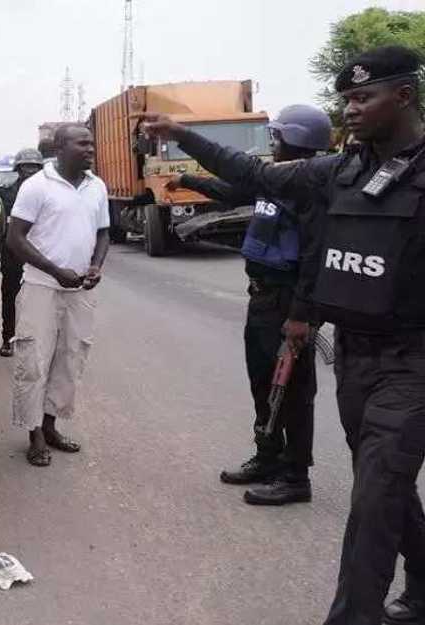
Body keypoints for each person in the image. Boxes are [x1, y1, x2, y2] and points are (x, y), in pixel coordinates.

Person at [139, 45, 425, 625]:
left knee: (372, 495)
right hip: (355, 356)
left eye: (364, 97)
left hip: (412, 359)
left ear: (404, 95)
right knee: (384, 485)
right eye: (346, 98)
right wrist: (181, 134)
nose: (351, 109)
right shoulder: (341, 171)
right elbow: (253, 174)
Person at [165, 104, 331, 506]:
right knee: (263, 382)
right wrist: (187, 178)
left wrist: (301, 316)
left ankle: (296, 475)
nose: (272, 143)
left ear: (295, 140)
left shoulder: (312, 187)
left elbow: (315, 257)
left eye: (277, 137)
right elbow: (232, 189)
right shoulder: (275, 179)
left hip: (288, 301)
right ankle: (268, 456)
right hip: (262, 298)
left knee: (292, 390)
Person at [7, 124, 110, 467]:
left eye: (92, 143)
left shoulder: (97, 186)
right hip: (41, 287)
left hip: (79, 290)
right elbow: (15, 238)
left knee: (71, 360)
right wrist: (54, 271)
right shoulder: (37, 187)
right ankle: (33, 433)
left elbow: (104, 233)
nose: (90, 148)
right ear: (60, 147)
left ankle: (51, 425)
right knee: (34, 361)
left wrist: (96, 265)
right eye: (83, 143)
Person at [0, 148, 43, 357]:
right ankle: (8, 338)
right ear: (18, 170)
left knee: (43, 299)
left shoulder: (49, 194)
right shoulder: (4, 194)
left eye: (34, 167)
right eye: (26, 167)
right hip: (13, 254)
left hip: (41, 255)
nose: (30, 171)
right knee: (10, 297)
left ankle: (39, 339)